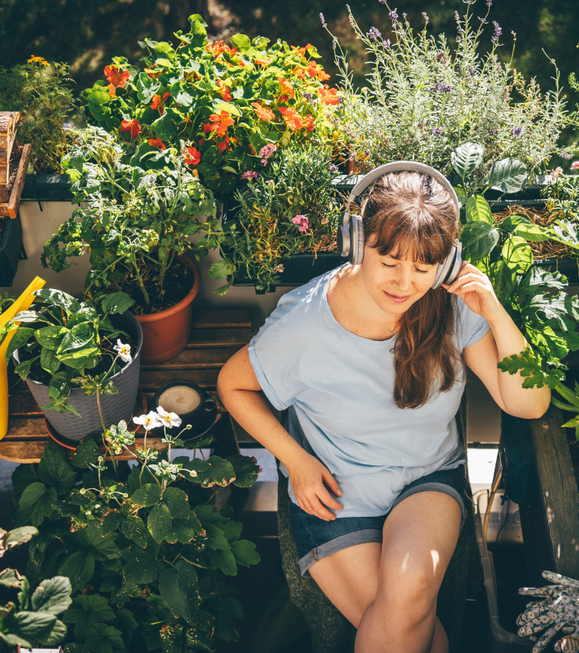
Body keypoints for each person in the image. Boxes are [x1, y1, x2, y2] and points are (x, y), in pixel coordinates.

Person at [217, 165, 550, 653]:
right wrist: (296, 461)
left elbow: (527, 401)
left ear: (447, 262)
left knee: (411, 589)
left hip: (426, 479)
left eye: (423, 267)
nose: (404, 282)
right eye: (389, 260)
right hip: (339, 492)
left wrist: (494, 310)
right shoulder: (303, 324)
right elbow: (233, 386)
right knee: (412, 633)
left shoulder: (453, 306)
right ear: (356, 242)